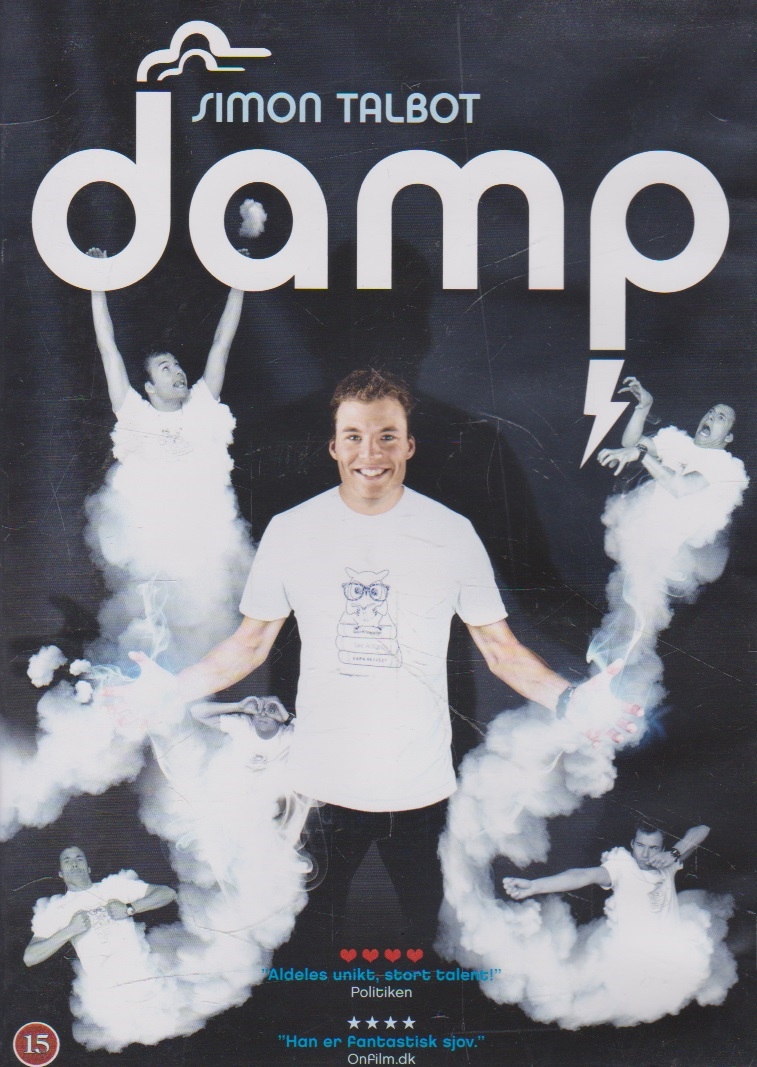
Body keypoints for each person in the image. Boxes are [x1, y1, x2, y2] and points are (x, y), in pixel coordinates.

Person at [110, 369, 642, 947]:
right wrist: (171, 692)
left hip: (422, 791)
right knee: (303, 947)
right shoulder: (292, 531)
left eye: (387, 436)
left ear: (409, 445)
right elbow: (249, 645)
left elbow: (502, 651)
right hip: (317, 792)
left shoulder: (451, 533)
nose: (371, 453)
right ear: (335, 447)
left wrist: (570, 699)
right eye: (355, 437)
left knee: (431, 945)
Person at [84, 248, 255, 667]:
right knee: (153, 642)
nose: (177, 371)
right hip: (154, 553)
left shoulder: (201, 407)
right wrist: (96, 288)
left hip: (202, 550)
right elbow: (108, 349)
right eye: (165, 368)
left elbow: (222, 342)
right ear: (149, 387)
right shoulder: (135, 414)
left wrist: (238, 283)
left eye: (177, 365)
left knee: (205, 636)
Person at [502, 823, 710, 921]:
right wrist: (535, 886)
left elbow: (703, 830)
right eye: (640, 845)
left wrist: (674, 854)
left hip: (671, 954)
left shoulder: (668, 864)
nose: (645, 853)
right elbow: (582, 875)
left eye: (653, 847)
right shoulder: (621, 866)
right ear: (632, 844)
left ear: (662, 849)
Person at [24, 846, 176, 974]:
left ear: (89, 868)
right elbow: (30, 957)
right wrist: (70, 930)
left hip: (144, 975)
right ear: (60, 874)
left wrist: (129, 909)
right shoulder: (57, 909)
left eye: (79, 859)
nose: (74, 864)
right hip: (105, 990)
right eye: (67, 861)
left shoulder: (113, 886)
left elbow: (168, 893)